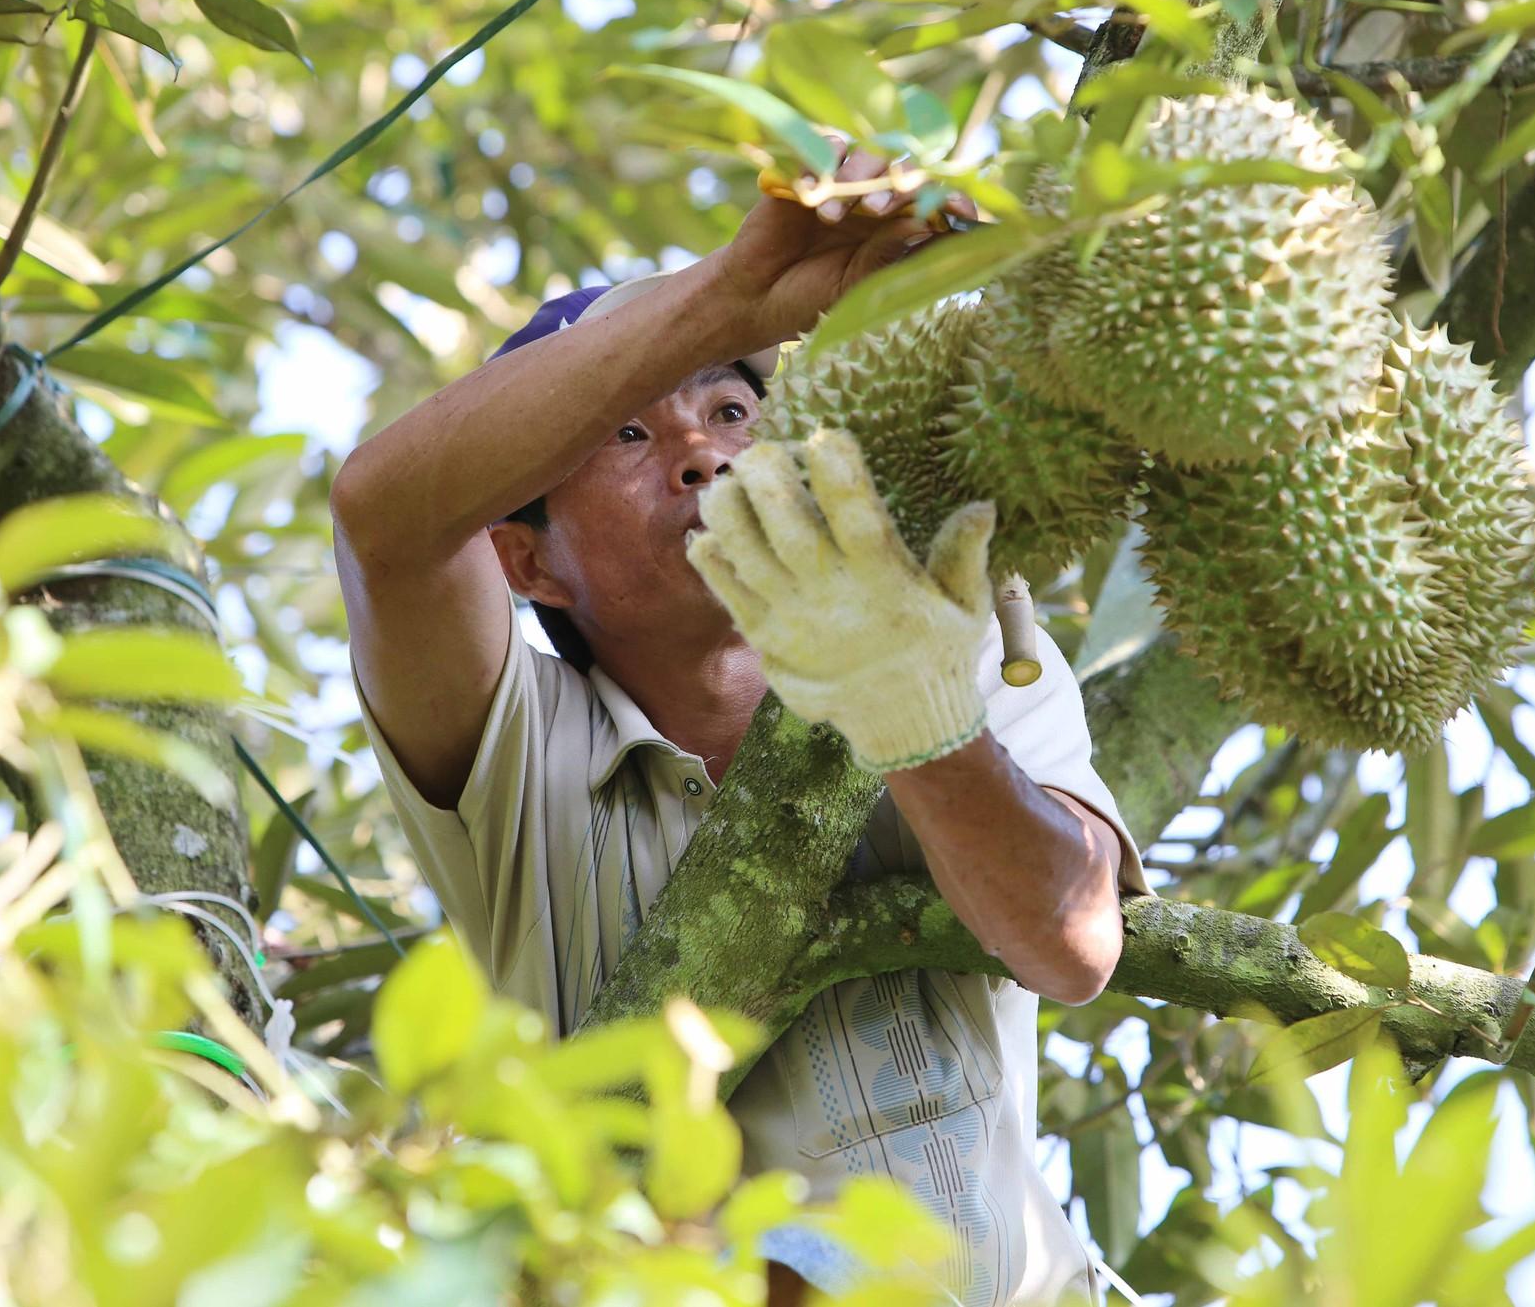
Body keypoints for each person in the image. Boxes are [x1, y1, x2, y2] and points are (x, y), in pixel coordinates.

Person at [330, 141, 1150, 1306]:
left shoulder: (945, 630)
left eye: (730, 407)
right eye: (626, 435)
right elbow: (382, 517)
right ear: (528, 562)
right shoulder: (512, 749)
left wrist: (907, 709)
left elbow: (1070, 941)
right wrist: (737, 284)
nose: (701, 451)